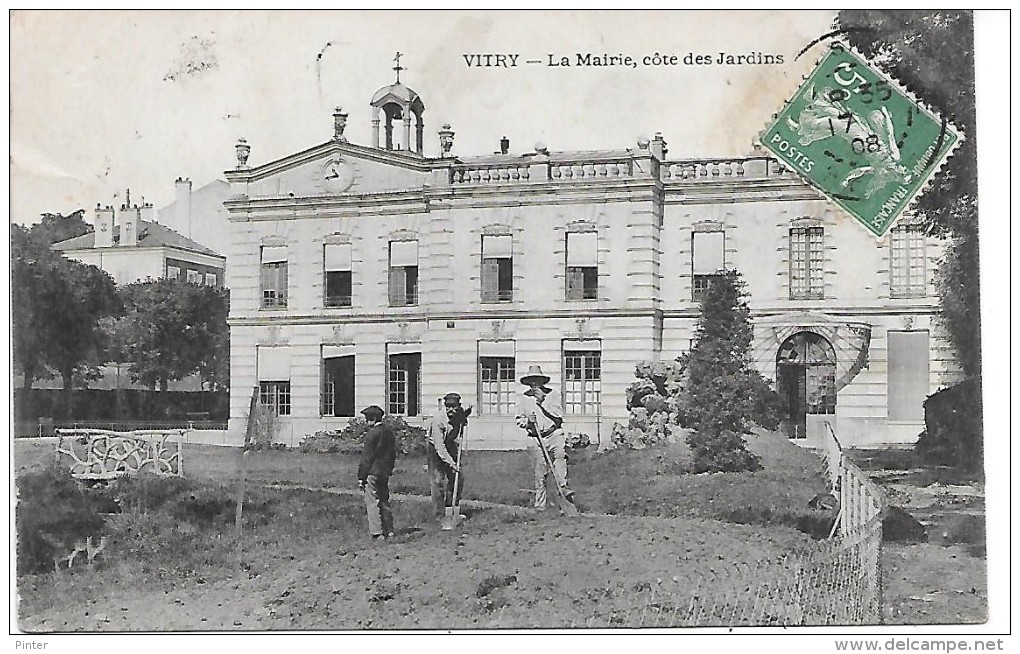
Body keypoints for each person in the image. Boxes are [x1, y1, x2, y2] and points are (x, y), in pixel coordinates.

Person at [515, 365, 574, 509]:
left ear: (542, 381)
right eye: (531, 381)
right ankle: (540, 506)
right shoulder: (524, 398)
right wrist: (528, 421)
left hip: (553, 434)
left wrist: (542, 404)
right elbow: (518, 419)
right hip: (535, 438)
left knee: (560, 456)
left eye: (537, 380)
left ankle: (563, 489)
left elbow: (558, 415)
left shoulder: (553, 394)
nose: (534, 384)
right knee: (540, 472)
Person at [426, 393, 472, 530]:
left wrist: (465, 416)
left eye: (454, 407)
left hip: (450, 443)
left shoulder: (459, 414)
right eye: (448, 407)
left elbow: (465, 414)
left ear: (459, 406)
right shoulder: (438, 420)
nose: (451, 410)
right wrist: (451, 463)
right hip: (435, 447)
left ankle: (452, 509)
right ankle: (440, 516)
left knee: (458, 477)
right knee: (437, 480)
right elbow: (440, 448)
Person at [357, 405, 395, 540]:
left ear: (372, 419)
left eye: (367, 419)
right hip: (385, 472)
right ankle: (389, 530)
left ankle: (377, 532)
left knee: (372, 501)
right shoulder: (389, 432)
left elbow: (367, 458)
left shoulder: (371, 434)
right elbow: (392, 454)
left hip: (372, 472)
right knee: (384, 499)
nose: (366, 422)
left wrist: (361, 477)